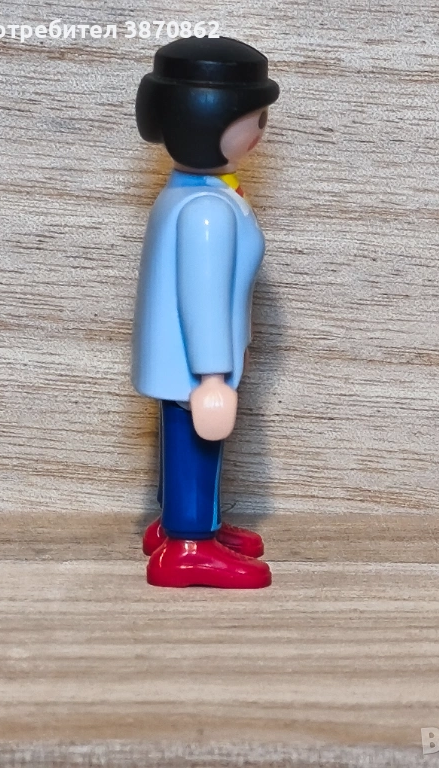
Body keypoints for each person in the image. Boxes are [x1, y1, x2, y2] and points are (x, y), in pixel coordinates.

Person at [132, 36, 279, 588]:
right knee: (197, 444)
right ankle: (188, 545)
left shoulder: (187, 193)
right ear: (208, 119)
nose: (260, 130)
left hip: (183, 357)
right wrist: (213, 376)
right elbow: (203, 298)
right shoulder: (207, 210)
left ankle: (187, 523)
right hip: (195, 363)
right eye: (254, 117)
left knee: (186, 440)